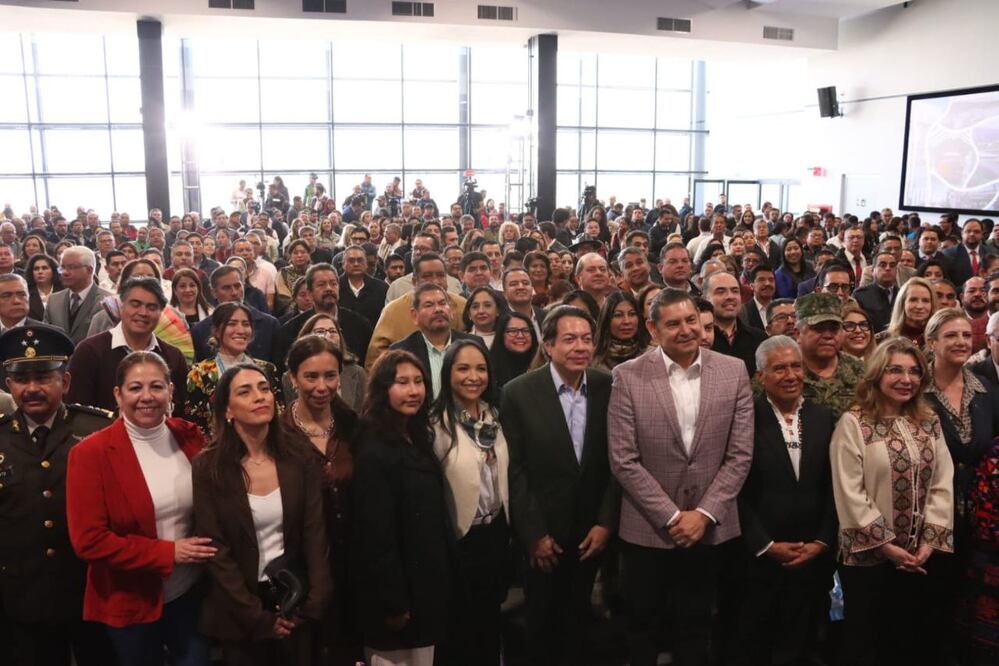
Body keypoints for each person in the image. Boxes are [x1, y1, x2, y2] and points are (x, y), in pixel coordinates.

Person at [608, 288, 753, 666]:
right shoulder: (627, 376)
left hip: (709, 528)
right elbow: (624, 459)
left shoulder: (733, 370)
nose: (686, 330)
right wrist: (673, 517)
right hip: (648, 528)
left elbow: (740, 455)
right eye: (673, 324)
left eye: (691, 320)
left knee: (697, 626)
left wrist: (703, 515)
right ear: (653, 329)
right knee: (643, 629)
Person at [66, 351, 212, 666]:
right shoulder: (90, 453)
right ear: (118, 395)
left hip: (189, 594)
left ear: (171, 391)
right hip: (130, 600)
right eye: (135, 388)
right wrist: (168, 552)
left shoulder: (189, 435)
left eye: (156, 387)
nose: (147, 397)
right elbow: (89, 540)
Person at [500, 305, 619, 666]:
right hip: (541, 534)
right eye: (569, 339)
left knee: (580, 623)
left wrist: (606, 522)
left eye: (586, 339)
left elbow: (619, 462)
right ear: (548, 346)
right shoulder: (518, 392)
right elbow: (514, 470)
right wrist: (533, 534)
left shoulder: (607, 386)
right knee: (541, 624)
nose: (580, 347)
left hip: (591, 531)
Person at [192, 363, 332, 666]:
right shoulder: (209, 467)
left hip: (296, 600)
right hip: (241, 610)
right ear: (227, 410)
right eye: (246, 391)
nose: (260, 396)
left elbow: (314, 532)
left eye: (264, 388)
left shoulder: (298, 455)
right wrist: (256, 617)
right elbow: (215, 549)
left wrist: (313, 602)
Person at [831, 337, 955, 666]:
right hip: (870, 560)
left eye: (915, 372)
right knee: (866, 641)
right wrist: (887, 545)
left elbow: (943, 481)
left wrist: (930, 540)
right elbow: (849, 491)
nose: (906, 379)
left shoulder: (928, 422)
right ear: (876, 374)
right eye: (895, 370)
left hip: (918, 555)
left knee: (909, 638)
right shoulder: (854, 423)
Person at [0, 325, 117, 666]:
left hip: (92, 592)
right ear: (9, 386)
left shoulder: (98, 431)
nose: (32, 388)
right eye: (22, 380)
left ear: (64, 382)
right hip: (22, 596)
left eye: (44, 378)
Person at [732, 336, 836, 666]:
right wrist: (764, 544)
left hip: (814, 556)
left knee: (805, 643)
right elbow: (733, 489)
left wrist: (822, 541)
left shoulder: (823, 417)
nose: (791, 375)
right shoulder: (744, 418)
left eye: (796, 366)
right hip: (760, 559)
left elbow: (836, 486)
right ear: (760, 376)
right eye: (779, 368)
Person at [352, 350, 451, 666]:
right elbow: (376, 533)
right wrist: (393, 602)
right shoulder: (372, 445)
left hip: (423, 584)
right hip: (395, 595)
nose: (413, 390)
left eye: (418, 381)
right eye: (402, 382)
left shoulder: (416, 433)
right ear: (383, 389)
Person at [280, 336, 361, 666]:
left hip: (353, 561)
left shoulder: (353, 425)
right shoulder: (278, 433)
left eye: (330, 375)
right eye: (311, 376)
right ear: (293, 378)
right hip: (304, 566)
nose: (322, 385)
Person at [923, 308, 999, 658]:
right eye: (951, 335)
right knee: (929, 611)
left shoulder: (986, 390)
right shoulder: (914, 389)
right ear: (931, 341)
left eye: (967, 335)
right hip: (927, 519)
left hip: (978, 524)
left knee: (965, 614)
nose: (961, 342)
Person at [430, 340, 510, 666]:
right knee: (459, 631)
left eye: (480, 368)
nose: (473, 376)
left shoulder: (495, 416)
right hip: (459, 540)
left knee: (490, 623)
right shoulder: (435, 424)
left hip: (495, 536)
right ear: (448, 373)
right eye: (463, 368)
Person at [66, 278, 189, 415]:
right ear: (121, 306)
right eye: (135, 304)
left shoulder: (173, 356)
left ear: (161, 312)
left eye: (152, 307)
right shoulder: (90, 351)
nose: (143, 313)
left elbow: (180, 412)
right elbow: (77, 412)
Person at [186, 303, 282, 440]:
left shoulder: (267, 369)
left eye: (246, 324)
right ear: (217, 331)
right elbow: (196, 426)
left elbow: (279, 415)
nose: (241, 330)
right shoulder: (199, 374)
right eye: (232, 324)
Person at [387, 283, 480, 399]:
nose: (438, 309)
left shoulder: (474, 344)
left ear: (450, 310)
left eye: (442, 303)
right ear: (414, 315)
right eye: (429, 305)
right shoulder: (400, 351)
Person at [795, 293, 864, 420]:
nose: (828, 336)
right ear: (798, 333)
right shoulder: (782, 373)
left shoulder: (861, 371)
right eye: (819, 328)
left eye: (834, 328)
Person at [281, 312, 367, 411]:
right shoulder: (288, 377)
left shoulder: (358, 373)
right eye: (320, 331)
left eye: (333, 331)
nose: (328, 335)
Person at [44, 246, 114, 344]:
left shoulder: (108, 301)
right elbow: (46, 337)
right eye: (62, 267)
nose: (64, 273)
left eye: (71, 267)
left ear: (89, 270)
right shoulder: (54, 300)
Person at [706, 270, 767, 376]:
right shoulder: (699, 341)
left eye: (735, 291)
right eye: (721, 291)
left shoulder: (760, 339)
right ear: (705, 297)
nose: (730, 296)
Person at [592, 290, 650, 372]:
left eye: (632, 314)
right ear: (607, 320)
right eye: (618, 315)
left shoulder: (652, 355)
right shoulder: (593, 361)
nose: (627, 321)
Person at [852, 248, 899, 334]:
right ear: (873, 271)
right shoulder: (861, 295)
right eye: (882, 265)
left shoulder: (903, 294)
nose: (888, 268)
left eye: (892, 265)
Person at [489, 311, 539, 389]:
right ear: (501, 335)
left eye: (525, 331)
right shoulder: (490, 368)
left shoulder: (543, 365)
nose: (520, 336)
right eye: (513, 331)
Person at [882, 276, 937, 346]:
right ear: (902, 303)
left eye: (925, 301)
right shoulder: (883, 340)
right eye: (913, 300)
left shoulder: (940, 338)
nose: (919, 306)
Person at [26, 253, 62, 320]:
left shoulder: (63, 290)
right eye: (36, 269)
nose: (40, 272)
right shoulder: (26, 292)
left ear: (53, 270)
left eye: (44, 268)